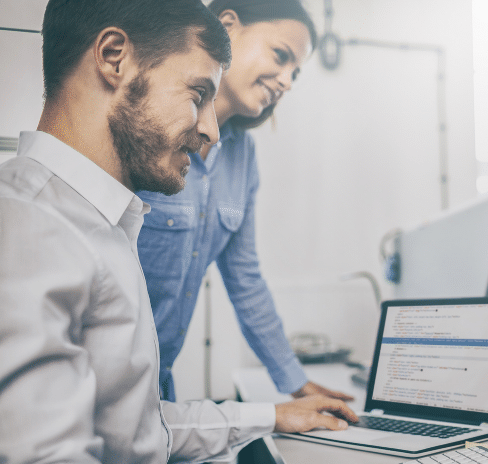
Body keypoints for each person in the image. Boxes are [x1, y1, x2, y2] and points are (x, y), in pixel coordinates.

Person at [0, 0, 356, 462]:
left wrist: (275, 409)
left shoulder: (112, 219)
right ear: (113, 58)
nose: (209, 130)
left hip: (154, 387)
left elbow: (137, 429)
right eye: (196, 95)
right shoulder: (31, 226)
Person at [137, 0, 353, 403]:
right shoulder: (146, 122)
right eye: (281, 55)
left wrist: (295, 383)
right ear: (228, 26)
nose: (288, 81)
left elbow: (246, 281)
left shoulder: (242, 156)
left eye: (296, 73)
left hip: (157, 389)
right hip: (94, 384)